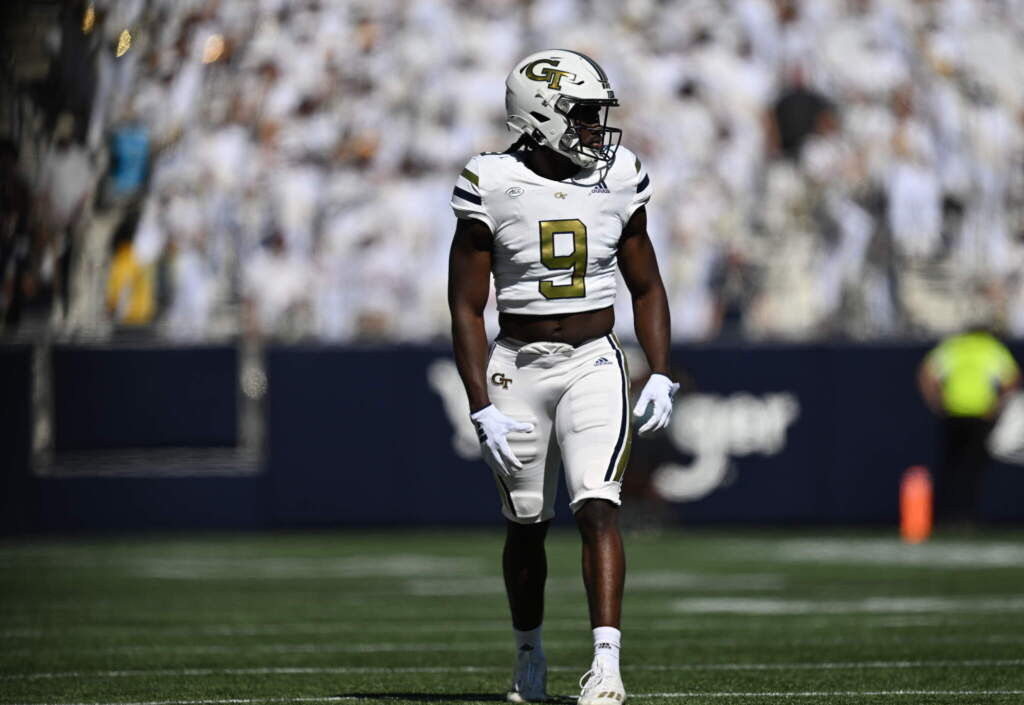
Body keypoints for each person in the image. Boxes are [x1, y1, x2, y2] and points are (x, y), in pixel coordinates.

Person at [447, 50, 679, 705]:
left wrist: (660, 372)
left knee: (599, 505)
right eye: (581, 115)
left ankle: (607, 664)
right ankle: (529, 652)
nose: (594, 129)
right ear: (540, 114)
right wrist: (480, 404)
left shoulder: (620, 175)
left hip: (593, 361)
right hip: (517, 365)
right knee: (525, 522)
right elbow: (465, 305)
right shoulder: (491, 181)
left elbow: (647, 284)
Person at [918, 326, 1021, 525]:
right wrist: (997, 406)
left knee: (951, 467)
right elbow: (1012, 379)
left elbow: (926, 374)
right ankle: (966, 516)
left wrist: (936, 402)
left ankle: (946, 516)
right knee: (972, 469)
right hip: (979, 414)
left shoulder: (954, 346)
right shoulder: (990, 347)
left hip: (954, 412)